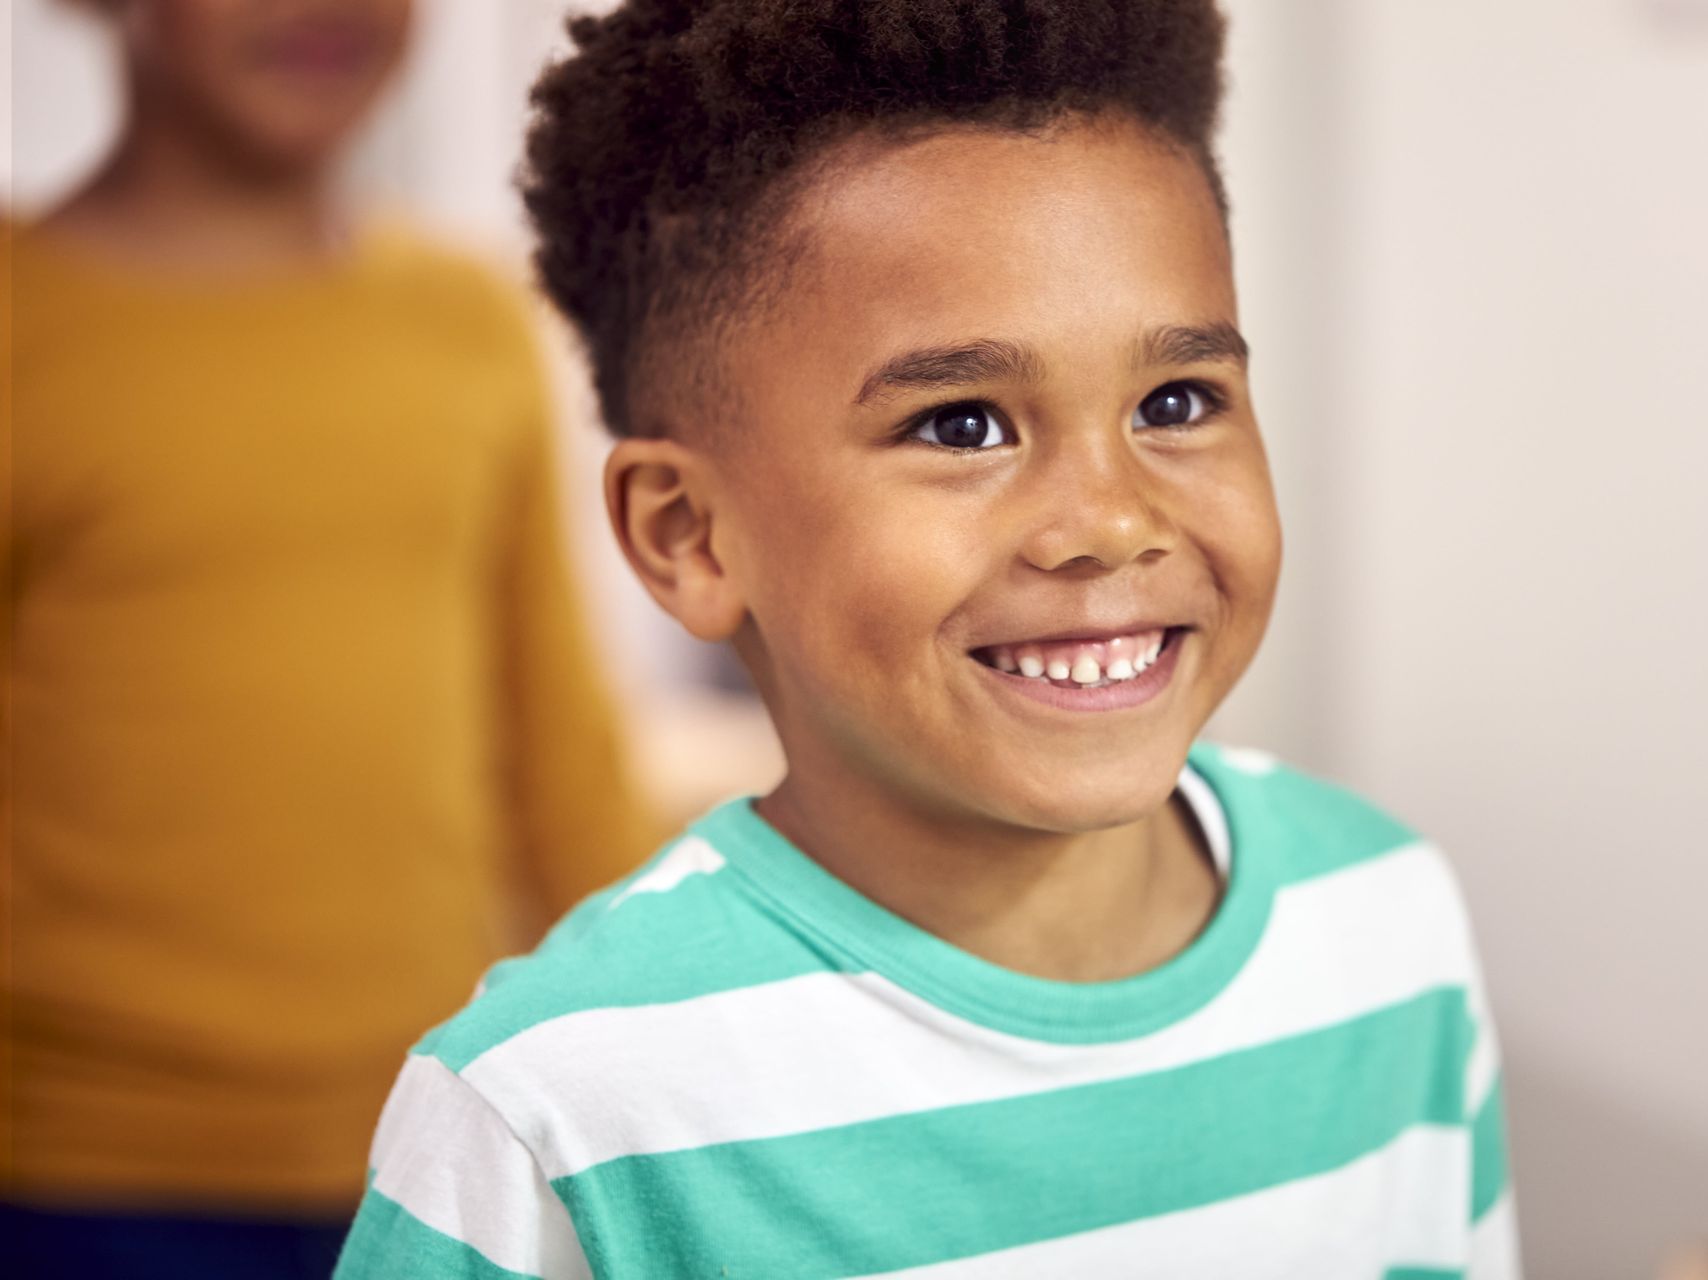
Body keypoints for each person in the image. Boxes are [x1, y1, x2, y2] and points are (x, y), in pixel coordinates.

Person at [335, 1, 1520, 1276]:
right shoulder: (553, 1111)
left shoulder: (1386, 919)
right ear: (690, 535)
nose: (1111, 523)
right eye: (963, 425)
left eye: (1175, 402)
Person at [2, 1, 653, 1274]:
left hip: (439, 1147)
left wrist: (660, 1049)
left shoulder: (467, 322)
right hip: (78, 1167)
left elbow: (558, 757)